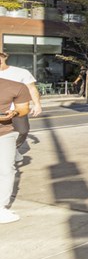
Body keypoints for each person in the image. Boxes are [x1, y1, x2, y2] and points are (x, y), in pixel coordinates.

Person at [0, 77, 32, 224]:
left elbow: (23, 108)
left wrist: (13, 113)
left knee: (6, 170)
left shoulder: (16, 86)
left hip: (4, 133)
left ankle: (0, 208)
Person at [0, 52, 42, 160]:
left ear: (5, 57)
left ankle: (13, 148)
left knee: (23, 131)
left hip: (17, 109)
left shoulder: (21, 72)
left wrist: (37, 104)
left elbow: (32, 88)